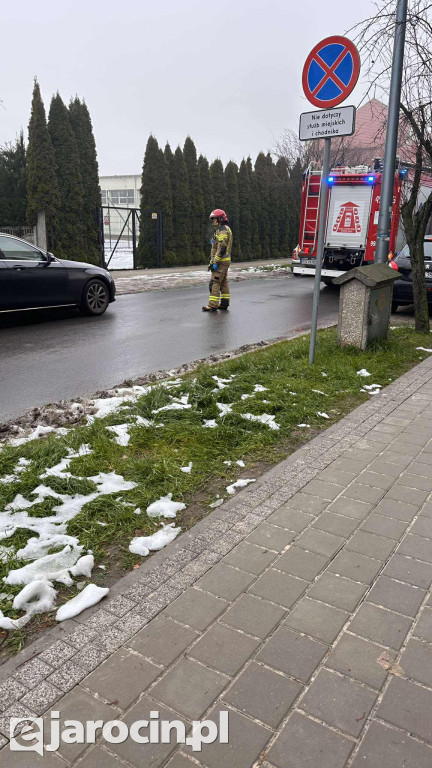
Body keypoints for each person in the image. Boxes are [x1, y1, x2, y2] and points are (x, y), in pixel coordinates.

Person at [202, 208, 232, 312]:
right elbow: (218, 245)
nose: (213, 221)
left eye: (214, 219)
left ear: (220, 218)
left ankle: (213, 305)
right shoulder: (222, 229)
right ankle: (224, 303)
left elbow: (222, 247)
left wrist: (215, 262)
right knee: (223, 281)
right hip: (224, 261)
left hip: (221, 262)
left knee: (215, 281)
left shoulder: (223, 230)